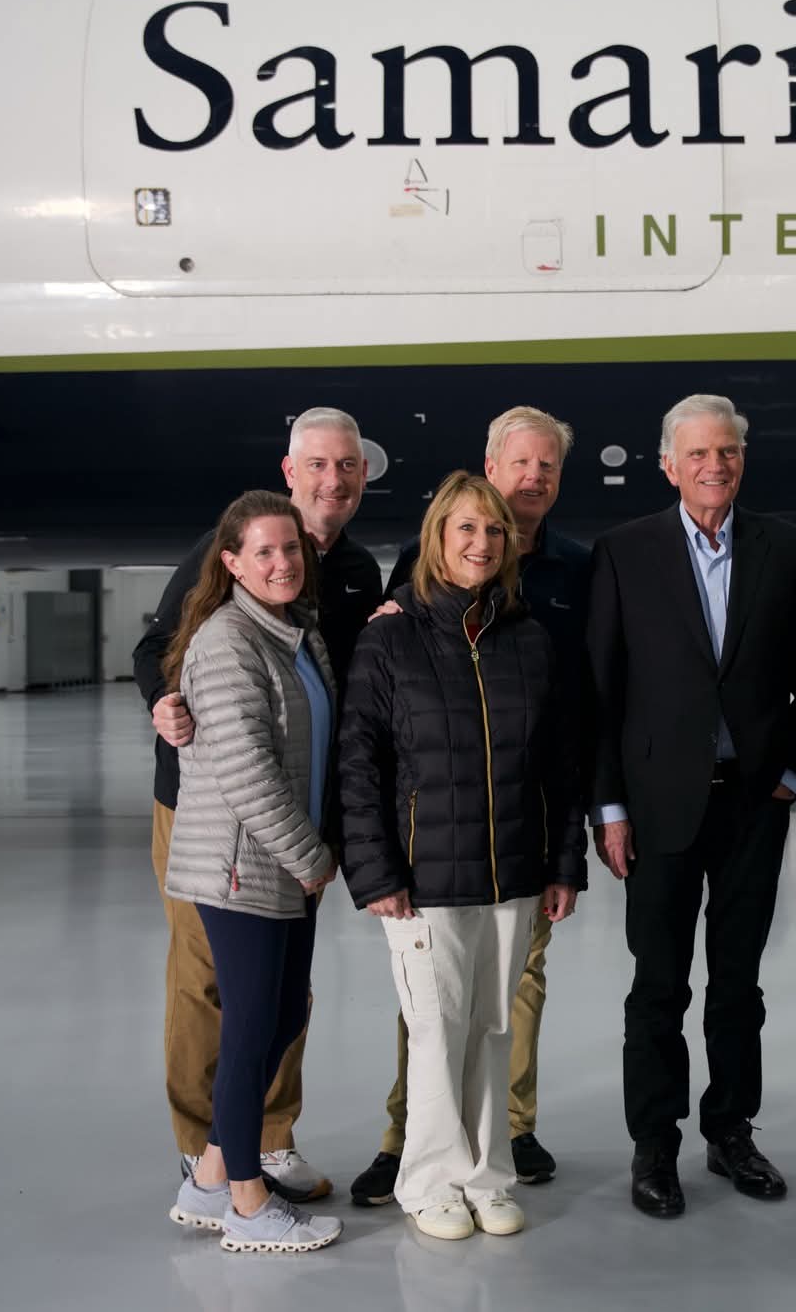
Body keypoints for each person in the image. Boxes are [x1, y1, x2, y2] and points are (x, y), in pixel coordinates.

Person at [587, 394, 796, 1218]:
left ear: (742, 460)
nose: (714, 466)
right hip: (655, 811)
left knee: (738, 985)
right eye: (697, 454)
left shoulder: (789, 551)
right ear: (668, 465)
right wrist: (608, 808)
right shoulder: (624, 553)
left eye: (726, 452)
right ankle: (654, 1142)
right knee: (657, 985)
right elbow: (602, 692)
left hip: (753, 808)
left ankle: (731, 1130)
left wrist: (795, 778)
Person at [133, 407, 383, 1202]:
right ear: (289, 471)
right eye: (317, 465)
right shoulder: (232, 553)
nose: (332, 480)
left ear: (363, 477)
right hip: (210, 806)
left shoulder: (354, 572)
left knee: (282, 989)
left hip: (299, 807)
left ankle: (265, 1137)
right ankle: (200, 1146)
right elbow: (155, 648)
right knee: (210, 981)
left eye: (346, 466)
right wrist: (163, 703)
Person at [348, 407, 590, 1205]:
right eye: (520, 463)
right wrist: (379, 866)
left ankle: (501, 1146)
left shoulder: (557, 595)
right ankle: (414, 1153)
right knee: (431, 1013)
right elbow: (369, 748)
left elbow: (569, 726)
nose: (533, 479)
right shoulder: (400, 620)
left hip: (516, 847)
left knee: (504, 1008)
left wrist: (567, 851)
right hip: (431, 858)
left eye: (547, 467)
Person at [160, 491, 343, 1254]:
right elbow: (244, 769)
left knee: (283, 1015)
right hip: (244, 868)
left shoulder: (296, 632)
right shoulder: (228, 638)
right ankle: (245, 1201)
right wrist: (312, 856)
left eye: (291, 549)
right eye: (263, 551)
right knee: (249, 1030)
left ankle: (206, 1178)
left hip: (282, 866)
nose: (281, 562)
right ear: (230, 561)